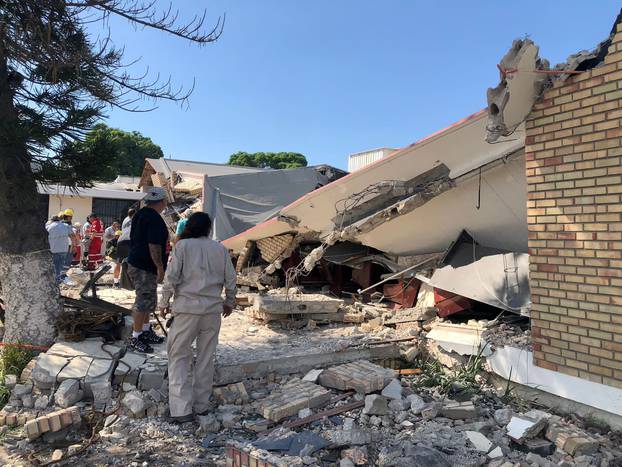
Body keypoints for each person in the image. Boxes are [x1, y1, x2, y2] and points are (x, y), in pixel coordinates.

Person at [158, 212, 236, 423]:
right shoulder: (220, 248)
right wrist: (229, 301)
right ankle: (201, 406)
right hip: (212, 311)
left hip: (186, 311)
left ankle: (181, 409)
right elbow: (231, 278)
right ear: (208, 229)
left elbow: (171, 277)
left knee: (179, 357)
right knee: (205, 358)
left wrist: (163, 302)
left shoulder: (182, 247)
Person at [127, 188, 169, 353]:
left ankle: (145, 330)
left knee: (148, 299)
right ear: (163, 202)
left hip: (139, 262)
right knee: (143, 299)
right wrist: (159, 267)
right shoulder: (154, 219)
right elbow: (153, 245)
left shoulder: (140, 214)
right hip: (145, 265)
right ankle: (136, 337)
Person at [46, 217, 78, 285]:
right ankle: (58, 281)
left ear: (52, 220)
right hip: (64, 250)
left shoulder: (49, 227)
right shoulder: (66, 226)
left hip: (53, 250)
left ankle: (56, 283)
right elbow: (73, 236)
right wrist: (74, 246)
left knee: (54, 267)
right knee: (60, 267)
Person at [113, 208, 135, 287]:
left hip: (121, 241)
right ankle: (129, 283)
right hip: (129, 242)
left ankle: (116, 282)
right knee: (132, 263)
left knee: (118, 262)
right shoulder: (136, 219)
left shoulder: (125, 219)